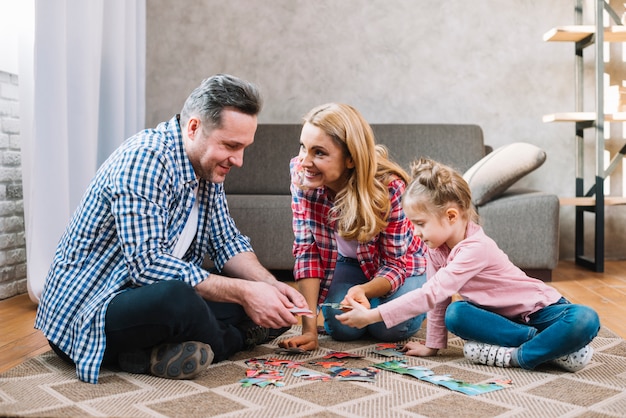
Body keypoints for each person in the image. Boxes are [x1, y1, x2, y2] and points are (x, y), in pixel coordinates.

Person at [34, 74, 307, 384]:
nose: (240, 160)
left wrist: (268, 285)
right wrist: (246, 293)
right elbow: (147, 266)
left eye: (244, 147)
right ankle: (235, 340)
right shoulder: (145, 159)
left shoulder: (206, 167)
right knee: (179, 298)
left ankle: (148, 355)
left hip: (142, 303)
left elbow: (226, 241)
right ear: (193, 128)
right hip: (91, 312)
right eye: (231, 145)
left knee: (272, 307)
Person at [336, 157, 601, 372]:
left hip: (544, 311)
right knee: (457, 313)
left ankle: (518, 357)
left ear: (451, 216)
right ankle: (551, 349)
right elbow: (439, 300)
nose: (415, 232)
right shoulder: (435, 249)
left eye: (420, 223)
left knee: (586, 318)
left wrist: (372, 315)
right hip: (504, 321)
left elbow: (428, 295)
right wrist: (433, 345)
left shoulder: (475, 248)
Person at [278, 103, 428, 352]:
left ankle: (423, 296)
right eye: (303, 147)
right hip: (348, 263)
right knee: (343, 328)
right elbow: (307, 251)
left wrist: (364, 291)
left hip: (404, 266)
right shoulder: (301, 175)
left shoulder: (390, 188)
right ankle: (382, 303)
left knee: (388, 329)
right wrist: (309, 331)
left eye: (319, 153)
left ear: (350, 158)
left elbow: (396, 264)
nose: (305, 161)